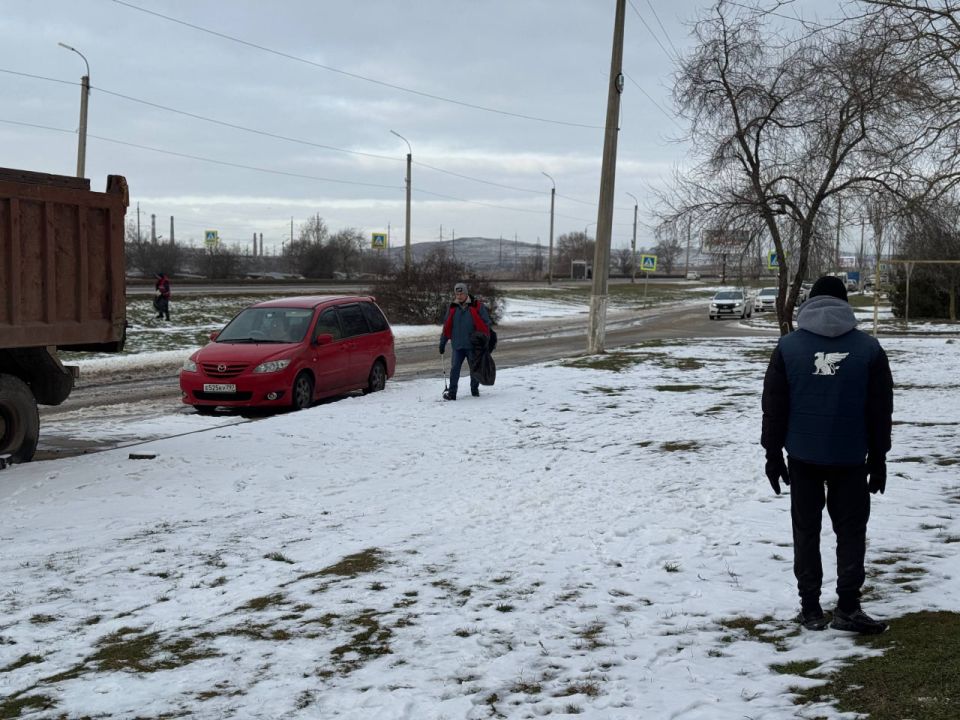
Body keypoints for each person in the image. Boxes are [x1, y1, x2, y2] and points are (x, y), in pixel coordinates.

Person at [761, 275, 893, 634]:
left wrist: (773, 455)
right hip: (851, 459)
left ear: (809, 303)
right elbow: (880, 411)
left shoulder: (788, 347)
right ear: (845, 304)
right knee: (850, 532)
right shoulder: (869, 349)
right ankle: (848, 608)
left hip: (802, 458)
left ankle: (810, 609)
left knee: (806, 531)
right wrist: (879, 459)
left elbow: (774, 408)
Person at [438, 282, 491, 400]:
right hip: (457, 346)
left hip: (472, 345)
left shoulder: (477, 306)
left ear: (466, 293)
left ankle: (474, 390)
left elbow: (486, 323)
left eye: (461, 293)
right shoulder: (452, 307)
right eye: (457, 293)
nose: (459, 295)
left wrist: (483, 339)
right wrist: (443, 342)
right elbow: (447, 327)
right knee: (455, 369)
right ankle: (452, 393)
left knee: (474, 369)